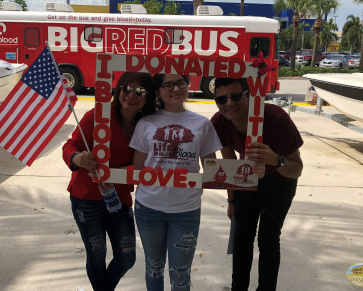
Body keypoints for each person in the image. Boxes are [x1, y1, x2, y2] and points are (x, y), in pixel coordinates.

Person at [62, 72, 157, 291]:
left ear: (148, 96)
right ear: (118, 89)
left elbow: (145, 165)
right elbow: (70, 146)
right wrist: (77, 158)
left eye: (140, 91)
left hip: (120, 199)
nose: (132, 95)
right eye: (127, 88)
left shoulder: (148, 124)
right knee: (96, 256)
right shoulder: (97, 115)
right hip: (86, 198)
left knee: (127, 257)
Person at [130, 73, 223, 291]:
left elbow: (211, 170)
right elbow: (136, 169)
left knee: (181, 274)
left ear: (188, 86)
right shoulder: (146, 123)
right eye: (168, 85)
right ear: (159, 91)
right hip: (148, 208)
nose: (175, 89)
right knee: (153, 268)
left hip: (186, 210)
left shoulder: (202, 124)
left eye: (180, 83)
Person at [210, 77, 304, 291]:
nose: (229, 104)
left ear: (248, 95)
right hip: (247, 178)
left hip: (280, 182)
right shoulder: (219, 122)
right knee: (242, 237)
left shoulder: (276, 118)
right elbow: (229, 163)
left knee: (268, 238)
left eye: (235, 97)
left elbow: (296, 168)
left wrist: (275, 160)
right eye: (221, 99)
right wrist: (231, 200)